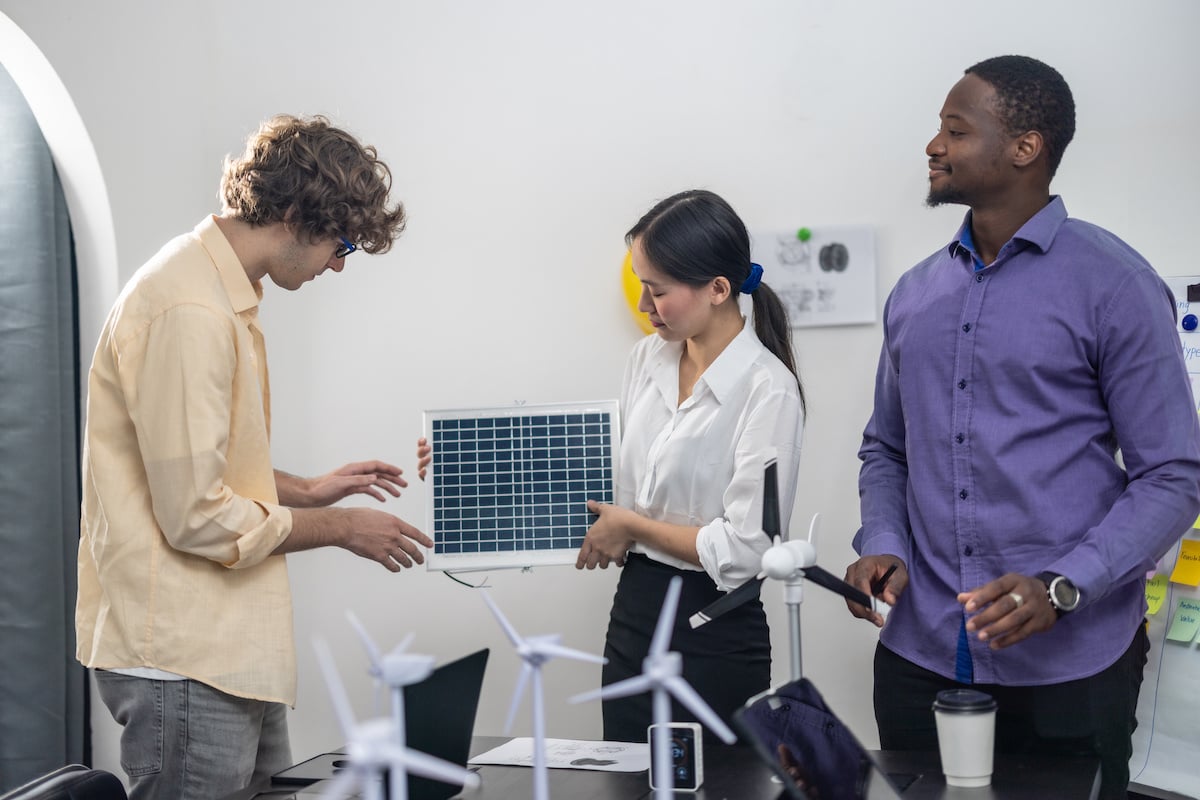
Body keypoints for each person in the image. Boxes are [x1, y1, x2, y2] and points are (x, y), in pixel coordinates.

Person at [843, 55, 1200, 799]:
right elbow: (886, 448)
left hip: (1072, 664)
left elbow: (1174, 474)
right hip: (922, 658)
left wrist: (1065, 586)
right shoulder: (915, 295)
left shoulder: (1117, 285)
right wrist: (882, 541)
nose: (934, 146)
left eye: (955, 129)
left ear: (1025, 147)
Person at [75, 114, 433, 800]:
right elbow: (195, 515)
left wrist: (308, 489)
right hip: (184, 656)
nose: (337, 263)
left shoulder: (221, 296)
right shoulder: (190, 308)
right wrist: (345, 530)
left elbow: (194, 468)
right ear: (297, 214)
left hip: (228, 649)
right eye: (342, 243)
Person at [577, 189, 805, 741]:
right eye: (640, 287)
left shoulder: (768, 390)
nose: (642, 306)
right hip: (634, 615)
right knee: (629, 782)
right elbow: (613, 484)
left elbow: (747, 547)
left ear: (719, 289)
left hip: (715, 631)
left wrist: (632, 527)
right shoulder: (647, 359)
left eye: (656, 290)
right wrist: (473, 458)